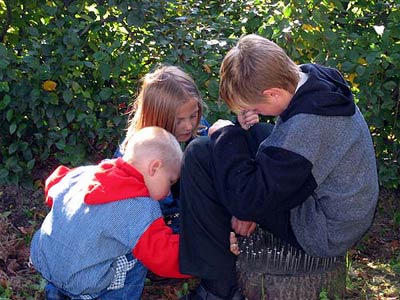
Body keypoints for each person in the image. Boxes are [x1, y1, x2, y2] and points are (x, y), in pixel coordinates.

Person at [178, 34, 379, 300]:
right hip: (334, 203)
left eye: (254, 105)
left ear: (272, 93)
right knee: (250, 136)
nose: (253, 109)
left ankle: (218, 288)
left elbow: (248, 201)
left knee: (202, 154)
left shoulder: (307, 128)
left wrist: (227, 135)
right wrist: (245, 127)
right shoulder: (313, 79)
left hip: (324, 229)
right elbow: (288, 149)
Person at [30, 126, 190, 300]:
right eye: (170, 181)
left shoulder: (85, 173)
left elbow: (54, 183)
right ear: (155, 168)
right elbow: (163, 256)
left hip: (44, 261)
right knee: (138, 252)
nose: (168, 192)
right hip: (84, 282)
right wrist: (202, 251)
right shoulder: (140, 207)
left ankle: (56, 294)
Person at [114, 64, 209, 234]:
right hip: (158, 235)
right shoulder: (135, 156)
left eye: (193, 115)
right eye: (178, 120)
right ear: (157, 117)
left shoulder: (200, 131)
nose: (188, 125)